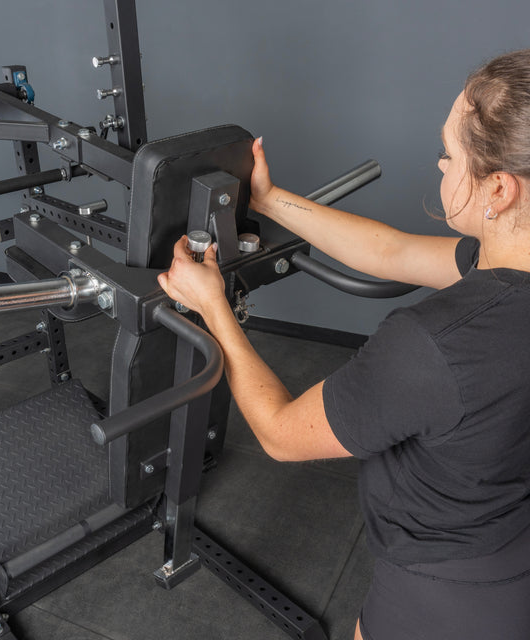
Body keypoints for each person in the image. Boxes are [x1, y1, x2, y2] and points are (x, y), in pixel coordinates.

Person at [157, 49, 530, 640]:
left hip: (448, 599)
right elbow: (392, 252)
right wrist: (268, 199)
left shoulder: (434, 345)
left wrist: (213, 310)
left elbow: (280, 433)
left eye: (451, 154)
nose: (440, 163)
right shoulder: (505, 273)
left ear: (499, 189)